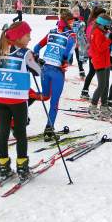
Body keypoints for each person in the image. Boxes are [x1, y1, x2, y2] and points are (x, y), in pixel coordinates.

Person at [0, 21, 41, 181]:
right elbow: (38, 71)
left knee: (3, 133)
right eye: (27, 35)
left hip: (2, 99)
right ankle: (22, 168)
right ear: (19, 37)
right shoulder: (25, 53)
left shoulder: (0, 51)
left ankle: (3, 167)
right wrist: (37, 62)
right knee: (20, 134)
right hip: (18, 100)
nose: (30, 38)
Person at [34, 11, 76, 141]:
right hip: (57, 71)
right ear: (69, 21)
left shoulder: (51, 31)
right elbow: (68, 48)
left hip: (45, 69)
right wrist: (64, 60)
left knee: (45, 96)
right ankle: (49, 130)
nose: (74, 23)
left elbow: (36, 47)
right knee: (54, 102)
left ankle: (21, 103)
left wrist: (37, 59)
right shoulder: (71, 35)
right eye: (73, 21)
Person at [88, 13, 112, 118]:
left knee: (106, 85)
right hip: (100, 62)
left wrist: (111, 36)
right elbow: (100, 48)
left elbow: (107, 38)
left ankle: (104, 105)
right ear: (101, 25)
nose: (108, 28)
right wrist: (109, 40)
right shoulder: (97, 33)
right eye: (107, 26)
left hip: (106, 61)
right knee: (101, 85)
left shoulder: (102, 32)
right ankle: (93, 106)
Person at [80, 7, 104, 100]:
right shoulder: (93, 24)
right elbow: (92, 38)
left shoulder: (96, 23)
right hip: (94, 52)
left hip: (94, 51)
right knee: (94, 72)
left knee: (93, 72)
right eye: (103, 15)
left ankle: (85, 90)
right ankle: (85, 91)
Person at [70, 6, 87, 78]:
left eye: (78, 11)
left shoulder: (81, 22)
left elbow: (82, 31)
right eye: (75, 11)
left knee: (78, 55)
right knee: (68, 54)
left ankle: (81, 69)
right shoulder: (69, 21)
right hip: (70, 41)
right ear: (72, 13)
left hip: (78, 42)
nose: (76, 12)